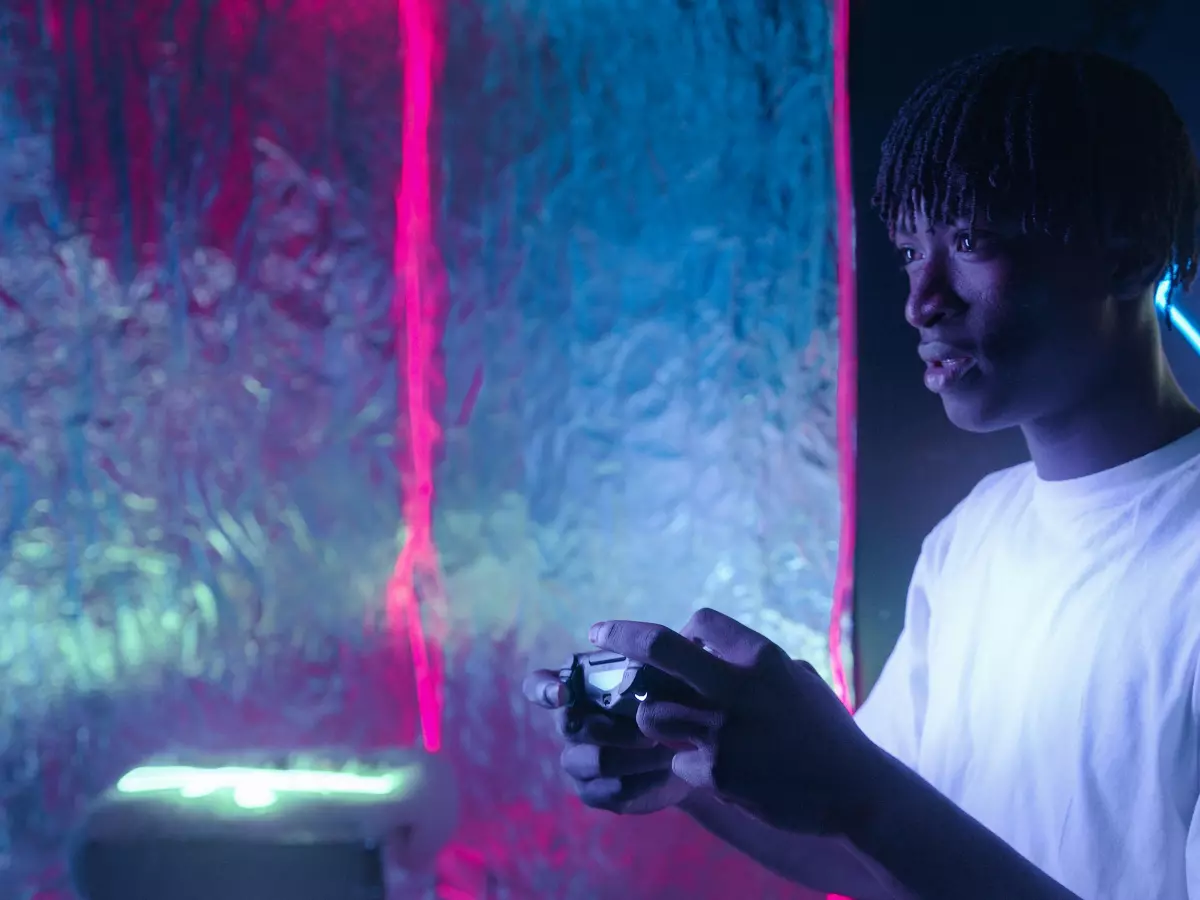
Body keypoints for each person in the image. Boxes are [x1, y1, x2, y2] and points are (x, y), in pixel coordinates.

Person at [523, 46, 1200, 900]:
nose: (923, 300)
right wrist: (686, 769)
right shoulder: (973, 537)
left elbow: (873, 810)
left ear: (1130, 252)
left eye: (972, 240)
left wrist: (857, 791)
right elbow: (889, 857)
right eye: (912, 251)